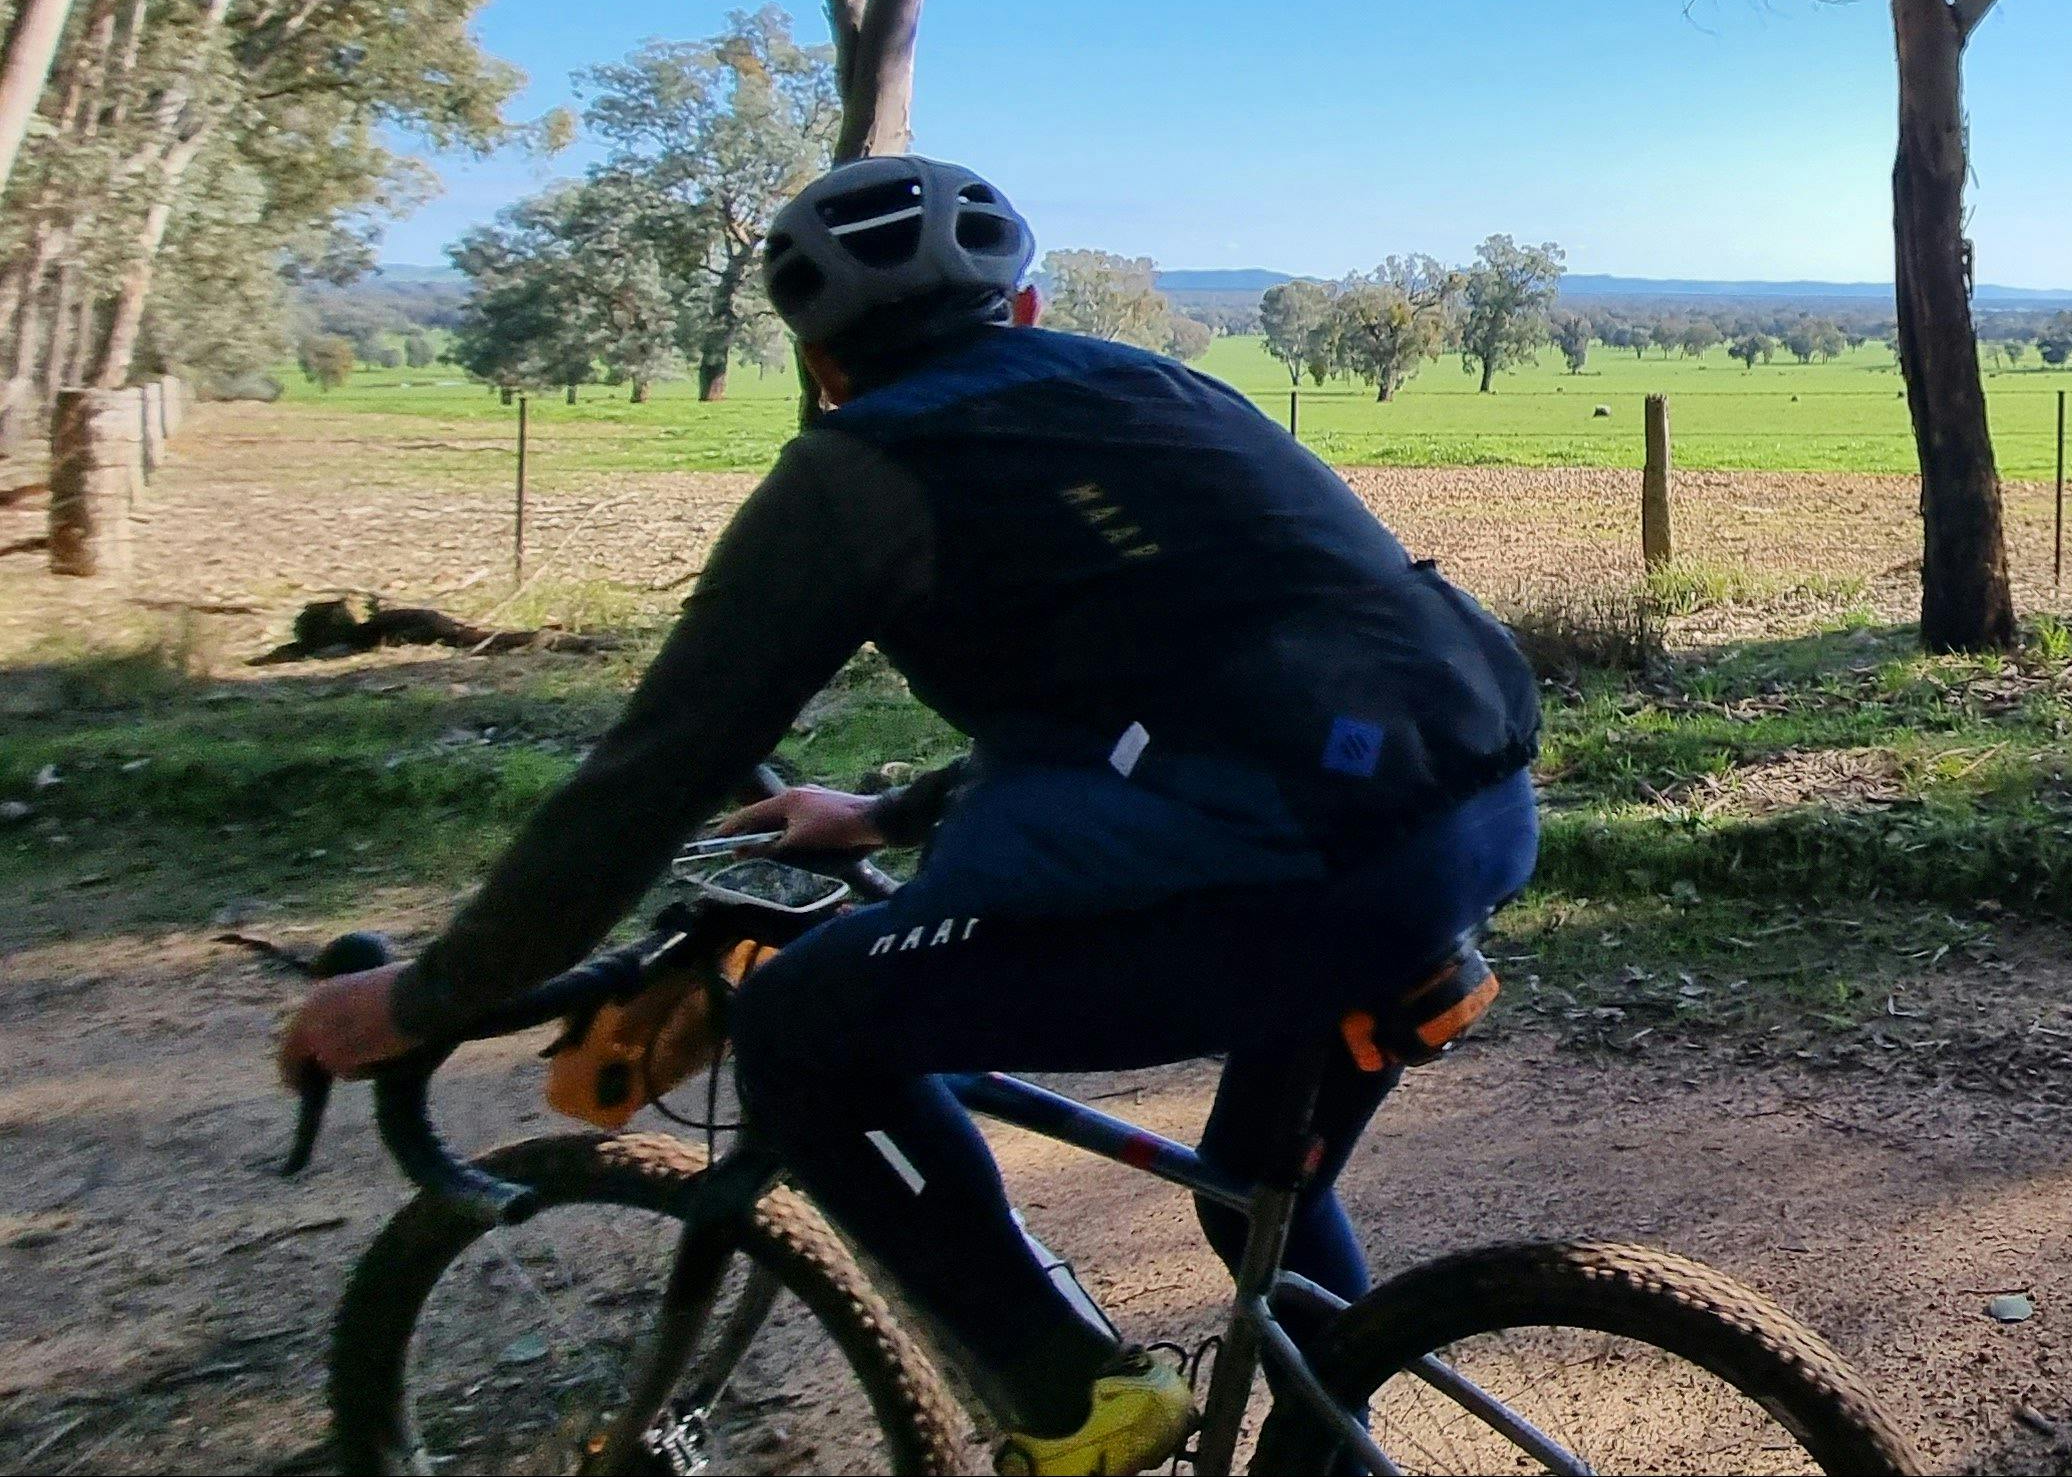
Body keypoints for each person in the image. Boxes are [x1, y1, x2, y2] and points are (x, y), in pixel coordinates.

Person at [277, 157, 1543, 1477]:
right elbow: (1184, 684)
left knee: (801, 1022)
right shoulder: (1151, 387)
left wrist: (426, 998)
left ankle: (1070, 1398)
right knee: (1255, 1186)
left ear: (820, 361)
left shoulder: (854, 472)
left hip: (1307, 871)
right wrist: (886, 813)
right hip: (1464, 817)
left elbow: (647, 777)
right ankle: (1330, 1451)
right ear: (1031, 308)